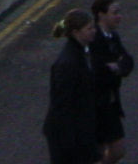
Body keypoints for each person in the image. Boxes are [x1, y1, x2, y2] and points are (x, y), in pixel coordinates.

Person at [43, 9, 102, 164]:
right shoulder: (69, 63)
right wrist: (71, 141)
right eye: (89, 28)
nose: (94, 31)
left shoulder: (80, 53)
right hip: (68, 136)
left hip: (80, 131)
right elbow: (61, 105)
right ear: (76, 32)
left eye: (93, 27)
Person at [87, 0, 135, 163]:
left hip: (110, 103)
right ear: (101, 14)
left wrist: (118, 67)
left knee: (117, 150)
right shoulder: (94, 40)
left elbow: (128, 61)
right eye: (114, 12)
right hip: (96, 104)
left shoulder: (113, 37)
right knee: (101, 152)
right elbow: (99, 72)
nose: (119, 16)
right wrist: (117, 67)